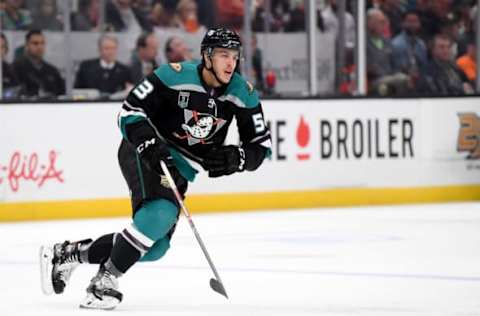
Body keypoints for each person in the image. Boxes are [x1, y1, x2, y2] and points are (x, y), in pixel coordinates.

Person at [39, 27, 271, 310]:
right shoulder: (173, 75)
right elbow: (129, 110)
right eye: (223, 55)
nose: (231, 63)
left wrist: (237, 158)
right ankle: (103, 283)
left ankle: (68, 255)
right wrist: (148, 142)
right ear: (207, 56)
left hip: (182, 169)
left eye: (235, 56)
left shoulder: (243, 94)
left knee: (155, 247)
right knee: (159, 215)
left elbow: (260, 146)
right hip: (147, 150)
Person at [13, 29, 65, 98]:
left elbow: (62, 94)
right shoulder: (16, 68)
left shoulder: (52, 70)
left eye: (42, 43)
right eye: (35, 43)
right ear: (26, 45)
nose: (39, 47)